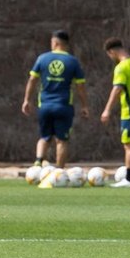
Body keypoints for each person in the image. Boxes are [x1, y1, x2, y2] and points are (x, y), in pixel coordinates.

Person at [21, 30, 89, 168]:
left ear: (56, 42)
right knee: (61, 141)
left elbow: (32, 79)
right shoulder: (73, 61)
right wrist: (84, 105)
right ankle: (59, 172)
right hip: (63, 106)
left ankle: (38, 161)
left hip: (45, 105)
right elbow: (80, 86)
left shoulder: (42, 58)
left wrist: (27, 100)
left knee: (44, 137)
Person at [100, 38, 130, 188]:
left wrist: (107, 110)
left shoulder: (122, 67)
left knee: (129, 145)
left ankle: (128, 179)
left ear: (112, 52)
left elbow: (117, 89)